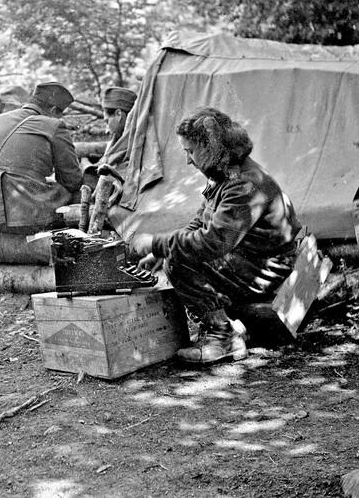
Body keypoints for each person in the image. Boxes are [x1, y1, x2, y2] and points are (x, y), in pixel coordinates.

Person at [127, 106, 304, 365]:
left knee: (179, 262)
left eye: (190, 151)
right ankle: (225, 328)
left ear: (211, 147)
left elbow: (212, 242)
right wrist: (161, 249)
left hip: (269, 271)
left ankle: (223, 338)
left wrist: (156, 243)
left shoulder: (244, 184)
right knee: (176, 254)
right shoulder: (223, 174)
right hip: (253, 261)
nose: (188, 159)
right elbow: (200, 222)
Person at [0, 81, 83, 236]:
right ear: (54, 110)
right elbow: (72, 180)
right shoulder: (54, 125)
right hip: (21, 215)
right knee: (78, 196)